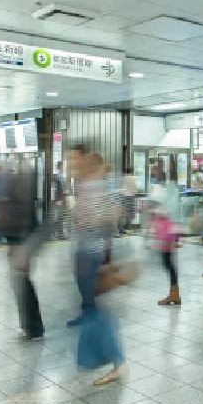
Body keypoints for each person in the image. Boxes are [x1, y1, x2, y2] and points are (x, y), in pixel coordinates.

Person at [69, 147, 126, 385]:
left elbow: (110, 218)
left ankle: (116, 360)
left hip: (91, 252)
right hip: (87, 251)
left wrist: (84, 219)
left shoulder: (97, 188)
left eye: (75, 160)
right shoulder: (86, 186)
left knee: (96, 307)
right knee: (92, 305)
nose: (72, 164)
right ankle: (97, 357)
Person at [0, 160, 44, 341]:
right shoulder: (26, 190)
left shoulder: (19, 191)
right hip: (21, 238)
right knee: (21, 281)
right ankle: (31, 327)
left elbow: (9, 214)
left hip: (20, 239)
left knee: (21, 282)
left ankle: (33, 328)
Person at [152, 156, 182, 305]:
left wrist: (171, 164)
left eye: (159, 171)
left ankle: (174, 294)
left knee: (168, 262)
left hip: (168, 230)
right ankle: (174, 293)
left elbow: (166, 210)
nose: (157, 173)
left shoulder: (171, 188)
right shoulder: (165, 188)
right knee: (168, 262)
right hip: (168, 230)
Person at [53, 161, 68, 240]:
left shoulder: (61, 177)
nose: (64, 168)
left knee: (61, 217)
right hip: (59, 200)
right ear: (59, 168)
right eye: (62, 167)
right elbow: (56, 189)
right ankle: (59, 234)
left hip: (62, 200)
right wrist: (58, 199)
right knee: (59, 217)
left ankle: (60, 234)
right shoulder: (57, 177)